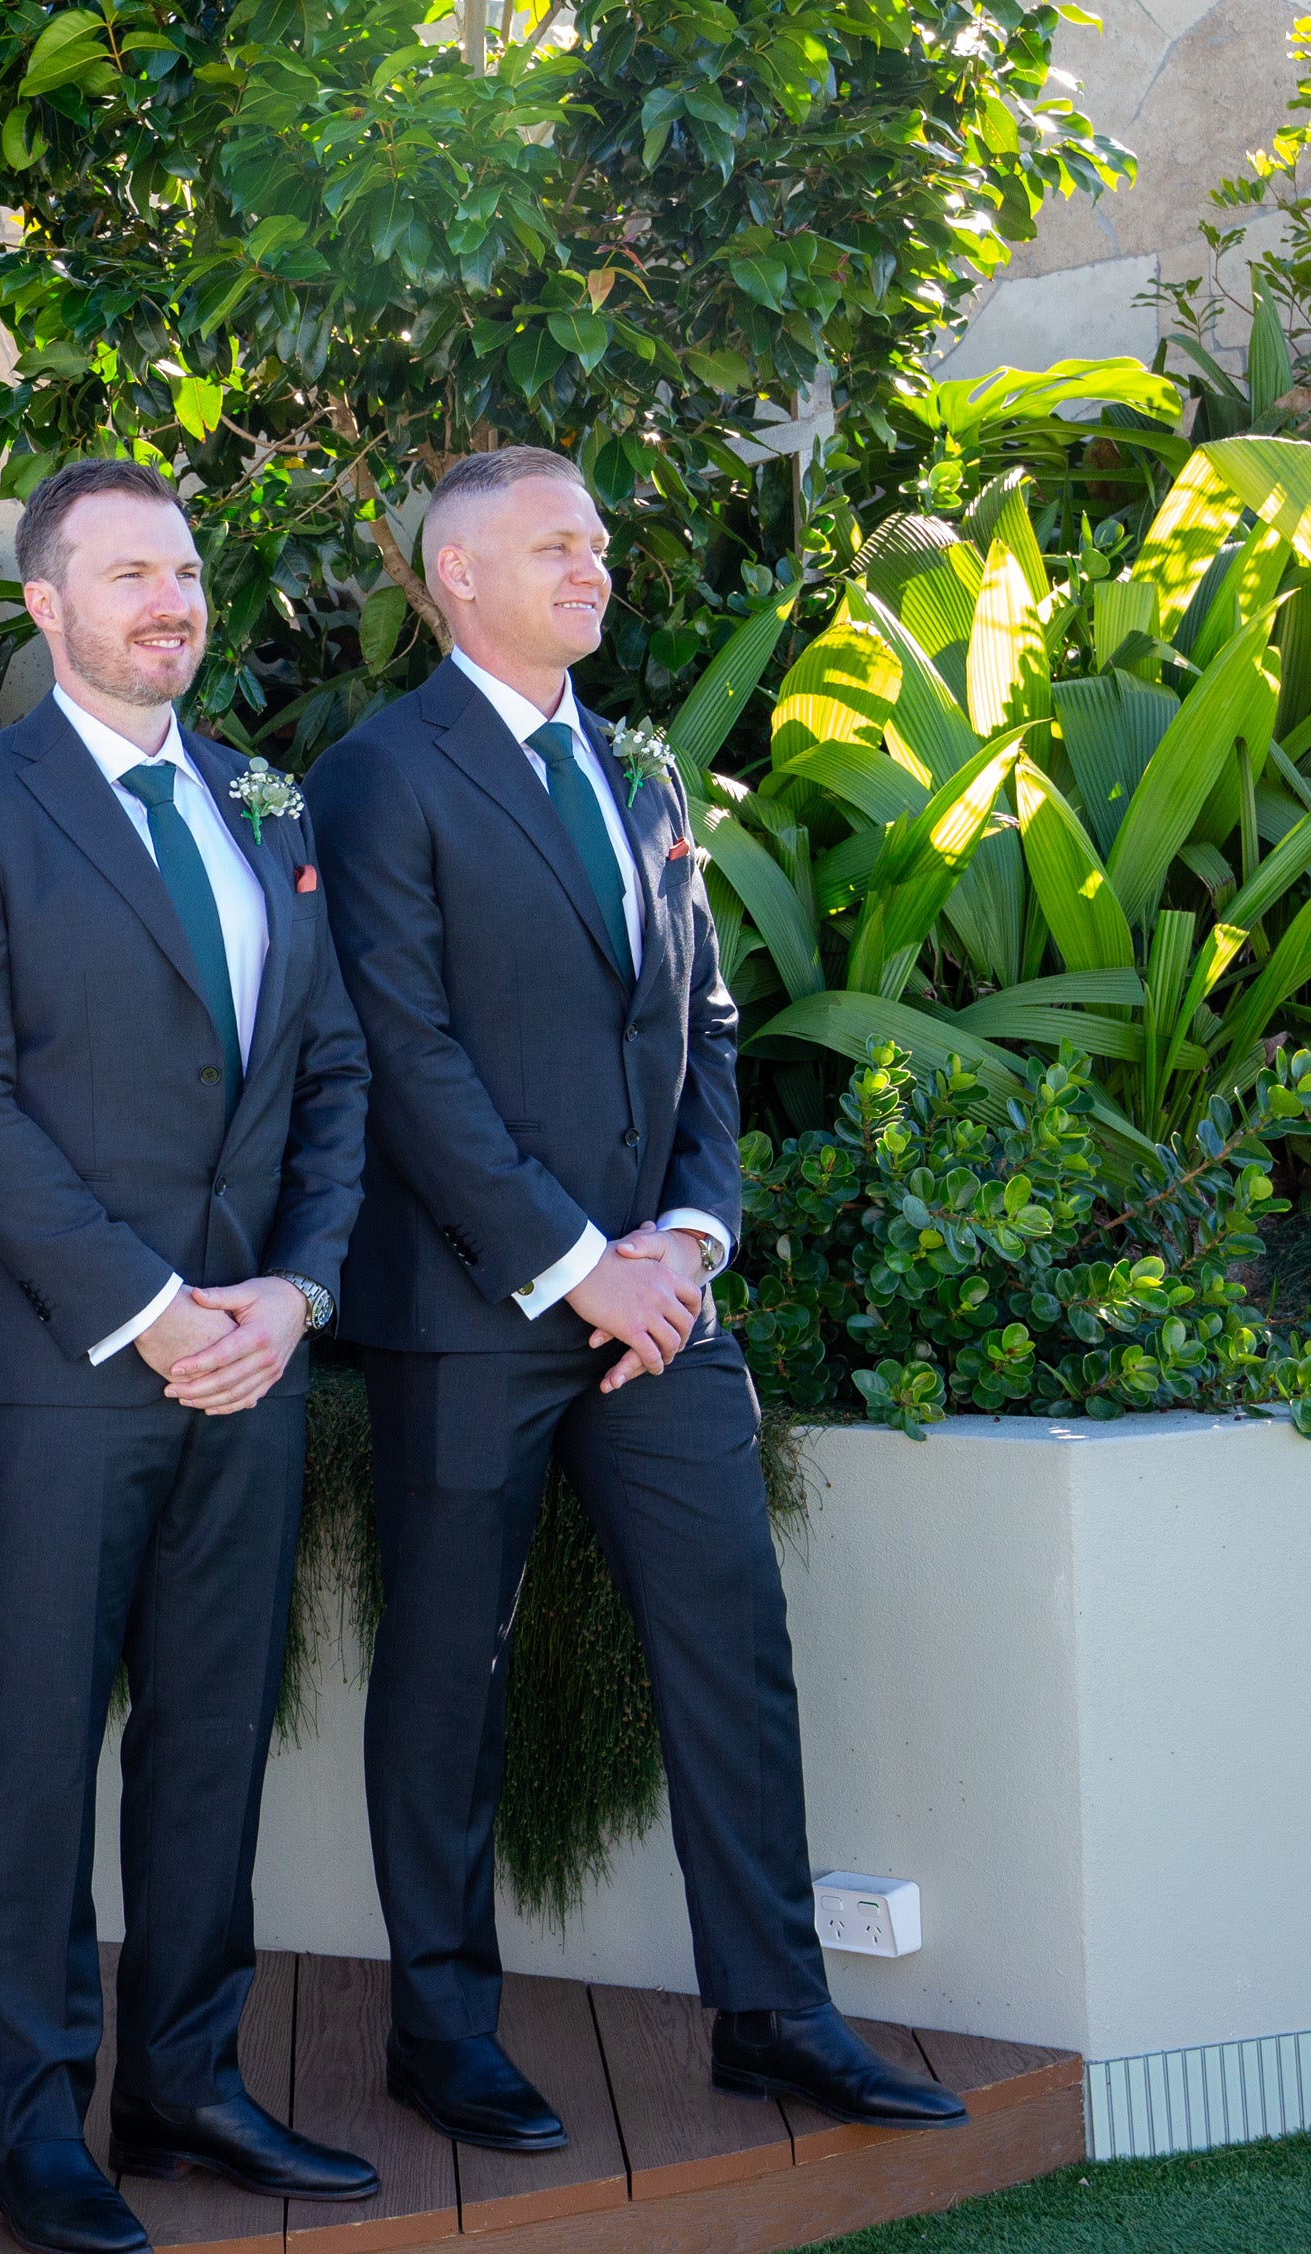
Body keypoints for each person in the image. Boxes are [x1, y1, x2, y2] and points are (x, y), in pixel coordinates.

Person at [306, 447, 964, 2146]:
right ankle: (440, 2032)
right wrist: (569, 1259)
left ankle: (776, 2010)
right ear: (456, 577)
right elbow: (407, 1048)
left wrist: (686, 1235)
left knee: (732, 1645)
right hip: (470, 1310)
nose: (594, 568)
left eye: (597, 543)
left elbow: (707, 1025)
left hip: (661, 1309)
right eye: (556, 545)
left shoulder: (640, 771)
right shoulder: (384, 775)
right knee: (450, 1672)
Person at [0, 457, 379, 2254]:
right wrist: (148, 1304)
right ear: (46, 607)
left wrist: (296, 1295)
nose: (170, 605)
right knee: (36, 1752)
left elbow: (330, 1074)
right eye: (127, 579)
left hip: (252, 1359)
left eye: (182, 575)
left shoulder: (264, 796)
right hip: (71, 1367)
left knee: (207, 1735)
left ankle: (185, 2085)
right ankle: (33, 2127)